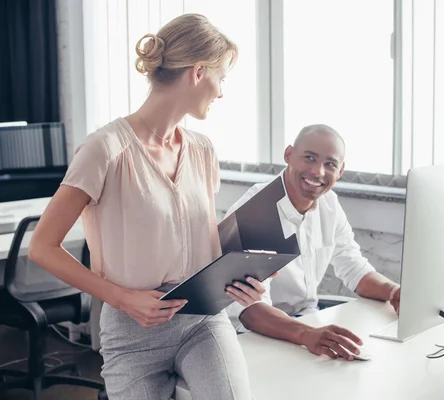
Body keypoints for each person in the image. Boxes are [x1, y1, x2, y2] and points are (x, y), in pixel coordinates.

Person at [28, 14, 252, 400]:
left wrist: (244, 275)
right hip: (133, 329)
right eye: (222, 78)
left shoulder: (202, 150)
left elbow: (204, 239)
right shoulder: (104, 149)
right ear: (199, 72)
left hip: (203, 318)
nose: (221, 93)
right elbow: (42, 246)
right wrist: (122, 298)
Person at [224, 124, 401, 361]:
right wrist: (307, 335)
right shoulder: (255, 212)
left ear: (341, 171)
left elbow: (354, 268)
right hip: (254, 337)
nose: (318, 172)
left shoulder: (329, 204)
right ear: (288, 155)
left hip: (306, 324)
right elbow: (248, 310)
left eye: (330, 164)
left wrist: (395, 292)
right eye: (309, 158)